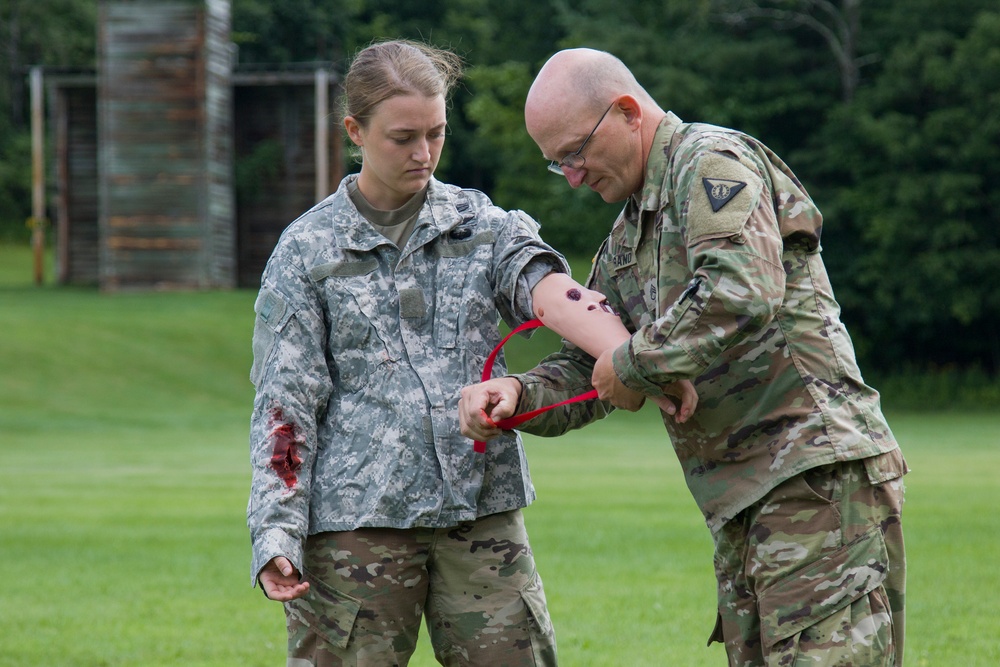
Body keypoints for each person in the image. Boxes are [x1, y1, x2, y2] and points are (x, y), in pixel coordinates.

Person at [247, 40, 695, 667]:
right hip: (355, 531)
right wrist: (275, 530)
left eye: (436, 133)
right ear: (355, 130)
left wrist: (639, 363)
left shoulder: (478, 223)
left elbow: (554, 295)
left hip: (480, 517)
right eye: (403, 137)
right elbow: (284, 406)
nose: (423, 153)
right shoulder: (305, 252)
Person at [459, 47, 907, 667]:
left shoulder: (711, 163)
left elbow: (741, 288)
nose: (572, 175)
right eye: (556, 163)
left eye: (575, 151)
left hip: (813, 476)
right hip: (741, 501)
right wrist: (518, 395)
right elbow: (589, 363)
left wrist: (639, 364)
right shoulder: (625, 242)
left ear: (625, 112)